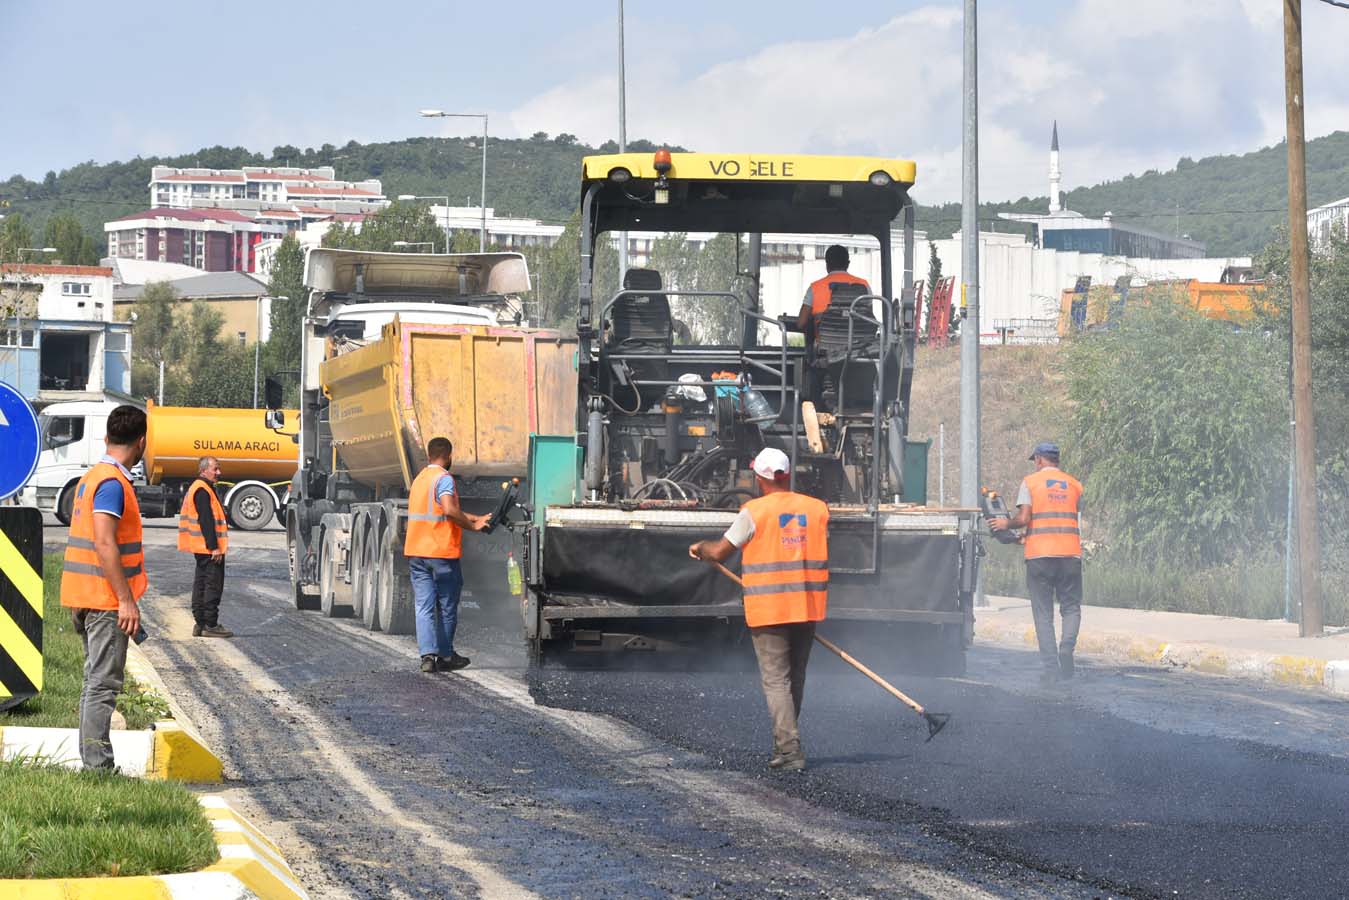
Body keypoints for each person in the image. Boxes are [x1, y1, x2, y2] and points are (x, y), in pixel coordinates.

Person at [689, 448, 829, 772]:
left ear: (759, 477)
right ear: (787, 475)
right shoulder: (817, 509)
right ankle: (785, 741)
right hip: (806, 607)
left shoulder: (754, 512)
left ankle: (790, 750)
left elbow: (721, 551)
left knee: (776, 680)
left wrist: (700, 548)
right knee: (795, 677)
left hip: (770, 609)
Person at [60, 405, 149, 771]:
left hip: (85, 596)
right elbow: (104, 543)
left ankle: (93, 761)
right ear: (141, 442)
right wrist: (126, 601)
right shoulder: (113, 484)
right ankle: (98, 767)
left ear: (106, 437)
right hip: (105, 601)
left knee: (93, 681)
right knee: (103, 684)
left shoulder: (92, 477)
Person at [991, 442, 1085, 684]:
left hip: (1040, 557)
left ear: (1041, 460)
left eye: (1036, 460)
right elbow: (1068, 517)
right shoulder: (1075, 485)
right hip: (1070, 555)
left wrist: (1005, 525)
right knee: (1071, 608)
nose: (1035, 463)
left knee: (1043, 614)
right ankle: (1067, 649)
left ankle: (1051, 669)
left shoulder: (1030, 483)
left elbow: (1024, 518)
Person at [403, 437, 489, 674]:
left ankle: (427, 657)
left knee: (424, 605)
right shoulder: (444, 479)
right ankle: (446, 655)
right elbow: (449, 510)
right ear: (449, 455)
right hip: (440, 553)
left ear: (428, 455)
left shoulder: (420, 479)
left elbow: (438, 510)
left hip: (416, 552)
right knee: (447, 605)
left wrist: (475, 517)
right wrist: (473, 527)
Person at [178, 456, 232, 638]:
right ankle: (210, 624)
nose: (219, 472)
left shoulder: (200, 488)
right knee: (212, 584)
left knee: (201, 583)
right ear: (203, 470)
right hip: (208, 548)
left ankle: (200, 624)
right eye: (215, 469)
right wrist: (214, 547)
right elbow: (206, 521)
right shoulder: (202, 490)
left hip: (201, 547)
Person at [796, 244, 871, 336]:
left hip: (824, 346)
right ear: (848, 264)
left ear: (827, 264)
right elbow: (868, 318)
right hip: (859, 346)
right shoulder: (863, 286)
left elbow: (801, 324)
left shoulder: (815, 288)